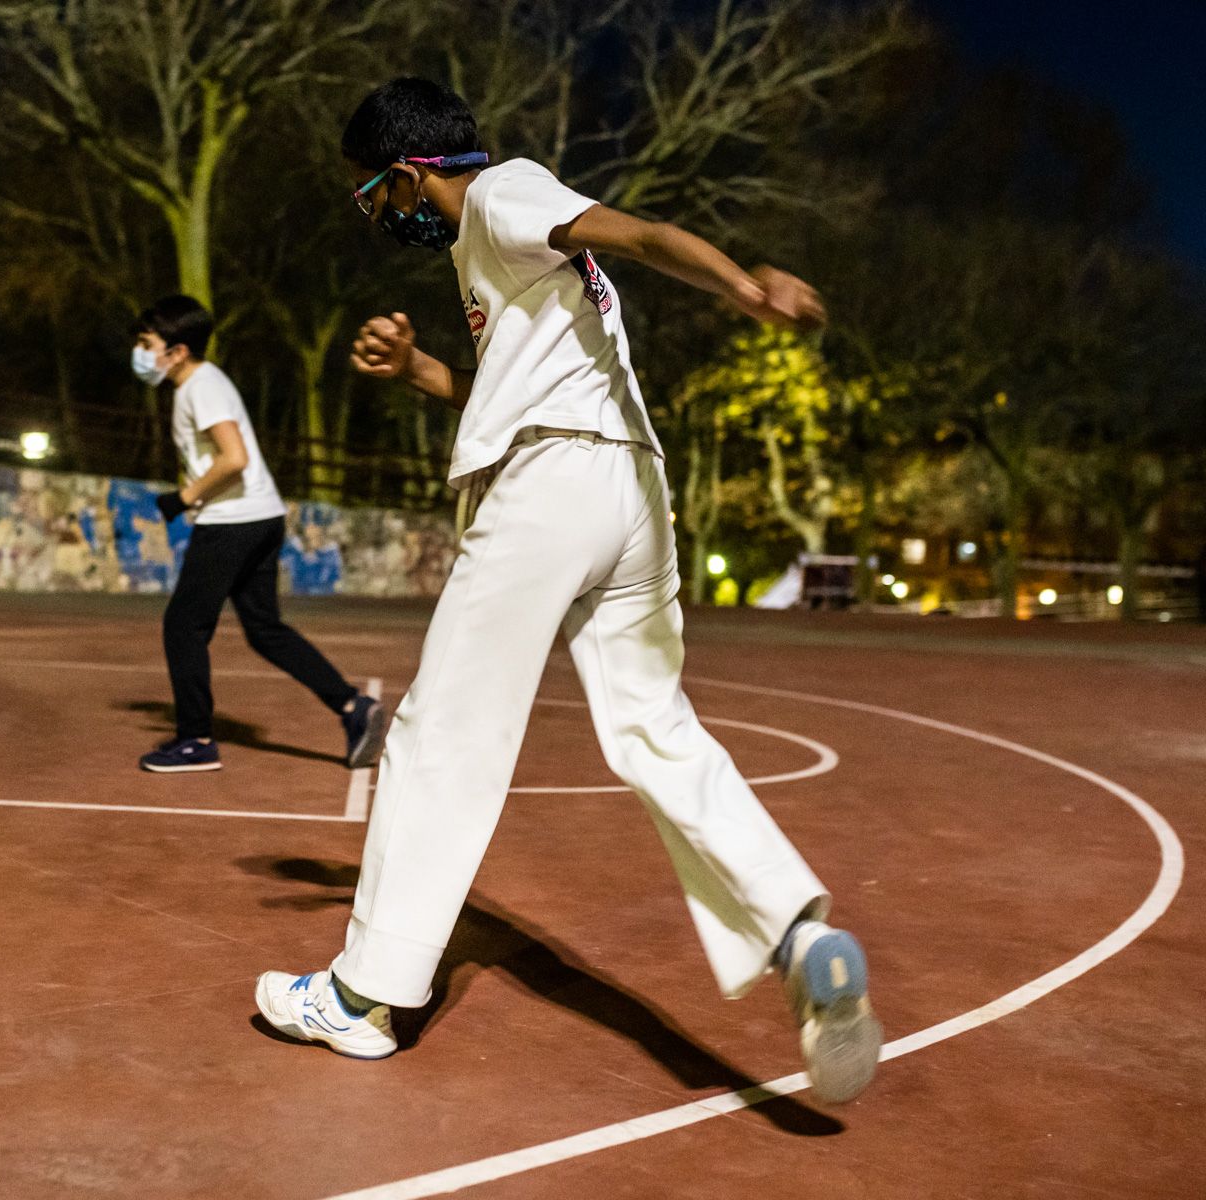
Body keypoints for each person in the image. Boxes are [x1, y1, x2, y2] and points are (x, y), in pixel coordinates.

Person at [253, 79, 882, 1104]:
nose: (376, 213)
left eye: (372, 194)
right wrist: (418, 370)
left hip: (554, 488)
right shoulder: (496, 248)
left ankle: (364, 1001)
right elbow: (510, 388)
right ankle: (798, 933)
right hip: (626, 494)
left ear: (409, 173)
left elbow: (635, 230)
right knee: (653, 732)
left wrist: (740, 285)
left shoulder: (501, 194)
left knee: (441, 734)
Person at [131, 295, 386, 774]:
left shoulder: (199, 387)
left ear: (177, 350)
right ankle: (354, 708)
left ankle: (196, 740)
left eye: (148, 344)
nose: (142, 354)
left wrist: (185, 498)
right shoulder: (203, 384)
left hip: (233, 521)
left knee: (183, 626)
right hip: (258, 516)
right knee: (264, 630)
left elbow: (234, 458)